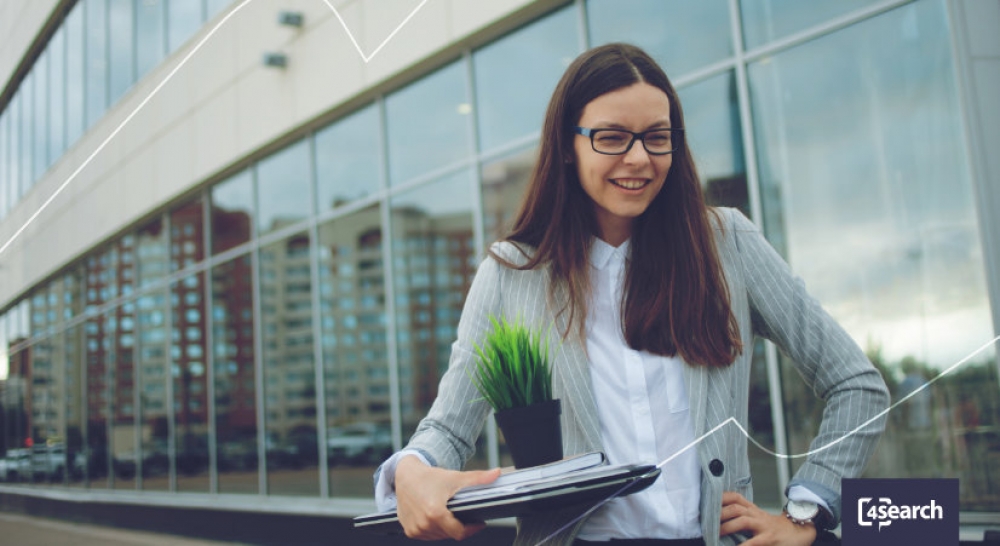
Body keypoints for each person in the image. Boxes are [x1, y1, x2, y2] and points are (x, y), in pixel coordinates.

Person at [373, 43, 889, 546]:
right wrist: (412, 471)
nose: (639, 158)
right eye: (613, 137)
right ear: (568, 146)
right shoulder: (511, 272)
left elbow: (856, 386)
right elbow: (449, 427)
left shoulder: (728, 244)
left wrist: (805, 514)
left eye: (657, 137)